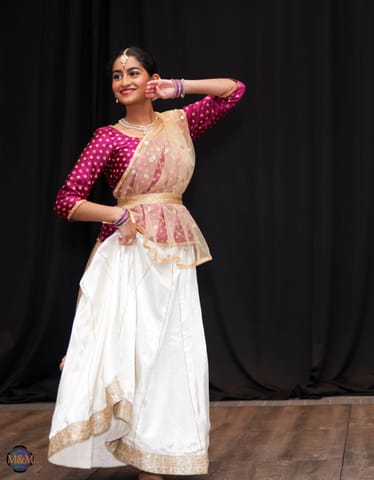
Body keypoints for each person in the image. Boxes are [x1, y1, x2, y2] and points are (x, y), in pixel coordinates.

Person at [48, 46, 246, 480]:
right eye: (117, 76)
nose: (124, 82)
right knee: (133, 352)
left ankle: (160, 451)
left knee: (171, 351)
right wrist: (117, 213)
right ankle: (136, 449)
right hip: (129, 255)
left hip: (172, 252)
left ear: (151, 78)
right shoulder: (107, 137)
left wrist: (178, 88)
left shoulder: (179, 122)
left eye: (133, 72)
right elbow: (67, 201)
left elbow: (233, 91)